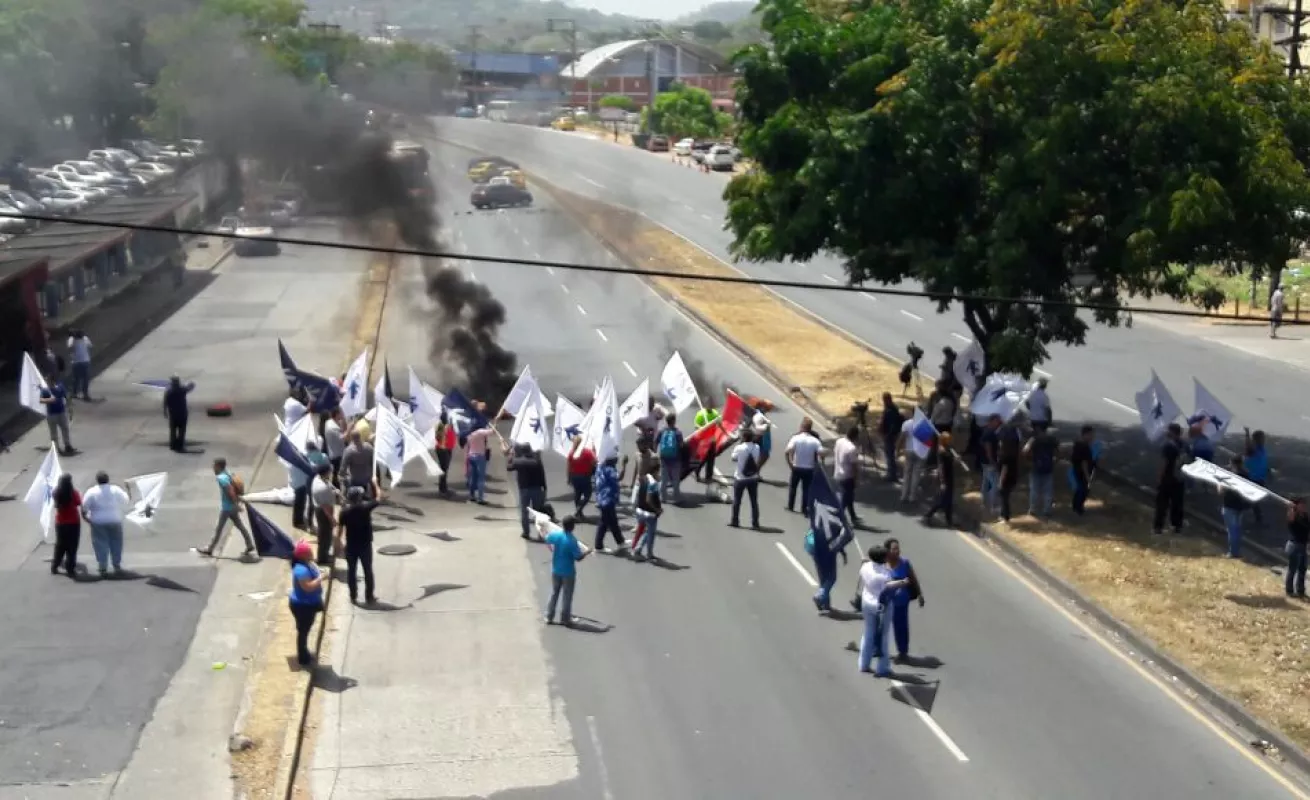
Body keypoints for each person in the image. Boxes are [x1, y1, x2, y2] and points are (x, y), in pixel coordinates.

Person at [856, 546, 909, 677]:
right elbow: (889, 586)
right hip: (882, 606)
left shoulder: (865, 567)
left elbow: (867, 566)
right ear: (883, 558)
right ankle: (882, 668)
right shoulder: (884, 574)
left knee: (868, 632)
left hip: (867, 602)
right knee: (884, 636)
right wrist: (902, 582)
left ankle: (863, 664)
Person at [201, 457, 255, 556]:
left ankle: (209, 549)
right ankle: (249, 544)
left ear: (218, 466)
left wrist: (235, 505)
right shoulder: (227, 473)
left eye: (214, 466)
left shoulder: (221, 478)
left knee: (218, 528)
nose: (213, 468)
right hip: (232, 507)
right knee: (240, 526)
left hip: (227, 508)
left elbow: (230, 491)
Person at [81, 471, 131, 577]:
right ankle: (116, 564)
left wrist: (86, 518)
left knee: (100, 544)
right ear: (108, 479)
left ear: (97, 480)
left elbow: (84, 506)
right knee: (116, 543)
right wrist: (129, 489)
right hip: (115, 520)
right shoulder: (116, 489)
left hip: (98, 522)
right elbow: (126, 500)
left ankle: (103, 566)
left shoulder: (91, 491)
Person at [544, 515, 591, 626]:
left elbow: (547, 539)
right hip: (568, 573)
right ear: (572, 526)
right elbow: (578, 557)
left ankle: (549, 616)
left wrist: (552, 549)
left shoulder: (556, 535)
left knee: (554, 593)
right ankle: (565, 618)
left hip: (556, 570)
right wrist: (587, 551)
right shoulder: (572, 540)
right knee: (567, 595)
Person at [883, 538, 925, 662]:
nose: (897, 551)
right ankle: (877, 649)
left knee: (901, 626)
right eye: (894, 549)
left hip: (902, 602)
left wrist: (920, 595)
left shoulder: (905, 563)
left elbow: (913, 578)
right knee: (882, 626)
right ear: (888, 551)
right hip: (887, 601)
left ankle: (902, 652)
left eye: (898, 548)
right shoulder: (884, 564)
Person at [338, 486, 379, 604]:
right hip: (365, 545)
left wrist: (338, 544)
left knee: (351, 571)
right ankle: (369, 596)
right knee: (368, 570)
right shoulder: (365, 508)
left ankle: (353, 596)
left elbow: (339, 530)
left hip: (351, 545)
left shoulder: (344, 512)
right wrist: (375, 484)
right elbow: (378, 499)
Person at [287, 539, 324, 666]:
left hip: (308, 603)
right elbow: (308, 587)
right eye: (309, 551)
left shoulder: (307, 564)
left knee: (304, 630)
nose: (312, 552)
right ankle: (303, 658)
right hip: (303, 606)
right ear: (303, 555)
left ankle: (304, 652)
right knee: (303, 631)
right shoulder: (301, 570)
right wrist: (321, 579)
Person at [807, 519, 851, 612]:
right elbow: (840, 539)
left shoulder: (819, 515)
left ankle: (825, 604)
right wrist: (843, 553)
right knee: (831, 578)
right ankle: (820, 596)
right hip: (828, 551)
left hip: (815, 549)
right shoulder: (836, 521)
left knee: (823, 578)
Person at [506, 442, 548, 539]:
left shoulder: (518, 462)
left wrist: (511, 456)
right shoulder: (537, 461)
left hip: (524, 490)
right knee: (538, 513)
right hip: (537, 489)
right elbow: (542, 475)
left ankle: (526, 532)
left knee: (524, 512)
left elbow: (509, 467)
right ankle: (540, 535)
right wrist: (545, 488)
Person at [1153, 423, 1188, 536]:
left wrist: (1159, 477)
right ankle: (1177, 527)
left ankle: (1158, 527)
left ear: (1172, 432)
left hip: (1168, 479)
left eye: (1168, 431)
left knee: (1162, 504)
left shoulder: (1168, 446)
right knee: (1177, 504)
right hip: (1180, 478)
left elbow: (1164, 462)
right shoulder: (1184, 445)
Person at [784, 417, 822, 514]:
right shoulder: (815, 441)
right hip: (809, 468)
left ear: (801, 427)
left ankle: (790, 506)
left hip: (796, 467)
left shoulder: (796, 438)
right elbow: (821, 455)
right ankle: (804, 508)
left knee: (793, 487)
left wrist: (790, 463)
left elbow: (787, 452)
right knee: (806, 489)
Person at [1218, 455, 1251, 558]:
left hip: (1229, 505)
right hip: (1240, 506)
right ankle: (1237, 550)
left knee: (1231, 530)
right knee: (1237, 529)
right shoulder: (1245, 474)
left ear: (1232, 463)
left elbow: (1221, 491)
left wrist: (1219, 482)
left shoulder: (1229, 476)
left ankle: (1233, 552)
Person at [729, 428, 762, 529]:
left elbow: (733, 458)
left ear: (743, 437)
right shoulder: (757, 447)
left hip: (740, 478)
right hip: (753, 478)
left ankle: (735, 521)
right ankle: (755, 522)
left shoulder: (739, 448)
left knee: (737, 501)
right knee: (754, 501)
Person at [593, 453, 627, 552]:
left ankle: (620, 541)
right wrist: (624, 465)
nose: (617, 460)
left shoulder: (600, 467)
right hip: (608, 499)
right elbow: (619, 478)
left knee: (612, 521)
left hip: (602, 497)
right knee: (604, 522)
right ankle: (598, 546)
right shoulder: (610, 469)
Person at [51, 473, 82, 577]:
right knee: (72, 546)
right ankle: (70, 568)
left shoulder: (56, 492)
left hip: (60, 522)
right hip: (73, 522)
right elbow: (78, 503)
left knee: (60, 545)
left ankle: (55, 565)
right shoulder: (74, 493)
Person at [921, 432, 955, 527]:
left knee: (948, 501)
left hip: (950, 476)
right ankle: (928, 515)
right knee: (942, 500)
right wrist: (943, 482)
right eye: (948, 439)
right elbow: (941, 467)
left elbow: (950, 462)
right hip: (945, 478)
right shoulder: (942, 451)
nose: (950, 441)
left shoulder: (948, 449)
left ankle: (949, 521)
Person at [1025, 425, 1059, 519]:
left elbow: (1025, 450)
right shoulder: (1052, 440)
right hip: (1048, 468)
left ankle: (1033, 509)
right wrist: (1055, 460)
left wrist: (1029, 461)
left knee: (1034, 490)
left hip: (1036, 467)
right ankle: (1047, 510)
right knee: (1048, 490)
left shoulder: (1034, 440)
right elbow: (1059, 452)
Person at [39, 372, 74, 455]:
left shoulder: (60, 387)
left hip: (61, 412)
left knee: (65, 429)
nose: (47, 382)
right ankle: (56, 448)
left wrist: (70, 409)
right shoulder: (45, 390)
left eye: (48, 381)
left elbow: (67, 397)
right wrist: (49, 400)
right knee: (53, 432)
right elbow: (41, 400)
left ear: (53, 381)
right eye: (47, 381)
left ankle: (67, 445)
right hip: (51, 414)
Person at [310, 463, 338, 567]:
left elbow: (328, 484)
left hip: (321, 509)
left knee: (325, 535)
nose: (331, 472)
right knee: (325, 536)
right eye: (330, 471)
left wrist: (335, 491)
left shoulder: (318, 478)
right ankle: (322, 559)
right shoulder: (322, 488)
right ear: (326, 472)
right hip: (324, 513)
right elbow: (326, 507)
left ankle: (324, 555)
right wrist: (332, 519)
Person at [632, 471, 663, 562]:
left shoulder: (642, 479)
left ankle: (638, 548)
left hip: (640, 511)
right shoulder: (653, 484)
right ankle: (649, 554)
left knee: (646, 531)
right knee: (651, 534)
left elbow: (636, 495)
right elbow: (648, 500)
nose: (660, 475)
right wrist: (657, 510)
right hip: (650, 513)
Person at [340, 431, 379, 499]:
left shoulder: (349, 451)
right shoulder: (369, 447)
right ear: (360, 436)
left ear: (351, 438)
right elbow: (373, 462)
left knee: (355, 497)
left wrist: (341, 475)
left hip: (355, 478)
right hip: (367, 477)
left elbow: (343, 466)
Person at [833, 426, 860, 523]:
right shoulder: (852, 448)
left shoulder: (839, 441)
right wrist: (856, 479)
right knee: (846, 498)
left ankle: (853, 516)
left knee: (849, 496)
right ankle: (838, 516)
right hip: (847, 476)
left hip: (838, 473)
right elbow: (854, 466)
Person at [162, 375, 196, 452]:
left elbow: (165, 402)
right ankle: (180, 446)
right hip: (182, 414)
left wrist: (165, 412)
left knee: (173, 431)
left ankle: (173, 445)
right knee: (181, 431)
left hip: (173, 414)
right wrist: (191, 383)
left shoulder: (169, 391)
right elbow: (190, 388)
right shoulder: (182, 390)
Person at [566, 435, 597, 516]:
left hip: (574, 477)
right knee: (588, 494)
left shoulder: (571, 453)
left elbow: (569, 467)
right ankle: (579, 510)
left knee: (577, 494)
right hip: (585, 476)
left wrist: (568, 478)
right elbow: (594, 461)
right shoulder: (587, 452)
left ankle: (578, 511)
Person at [1244, 427, 1269, 526]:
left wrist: (1268, 471)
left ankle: (1256, 517)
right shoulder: (1252, 450)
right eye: (1262, 438)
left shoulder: (1262, 449)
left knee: (1254, 499)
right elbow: (1248, 447)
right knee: (1254, 500)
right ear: (1257, 440)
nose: (1264, 440)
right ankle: (1258, 520)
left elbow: (1262, 462)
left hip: (1260, 478)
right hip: (1253, 479)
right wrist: (1247, 434)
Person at [1070, 425, 1097, 515]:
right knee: (1084, 490)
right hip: (1082, 472)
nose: (1092, 437)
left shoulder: (1077, 444)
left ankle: (1075, 506)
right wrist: (1088, 476)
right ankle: (1078, 508)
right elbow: (1084, 463)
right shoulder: (1084, 447)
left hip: (1077, 470)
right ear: (1085, 434)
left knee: (1080, 489)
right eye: (1091, 435)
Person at [657, 414, 684, 503]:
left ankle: (663, 498)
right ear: (674, 421)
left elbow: (656, 442)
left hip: (664, 458)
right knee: (675, 479)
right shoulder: (678, 432)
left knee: (664, 479)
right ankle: (677, 498)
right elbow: (681, 445)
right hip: (675, 459)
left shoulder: (661, 431)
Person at [694, 401, 721, 484]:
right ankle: (697, 472)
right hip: (703, 441)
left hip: (712, 440)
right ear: (706, 406)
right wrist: (703, 427)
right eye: (709, 405)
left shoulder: (715, 413)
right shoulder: (701, 414)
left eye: (712, 405)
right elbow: (696, 425)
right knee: (703, 459)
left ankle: (708, 477)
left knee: (711, 459)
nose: (711, 407)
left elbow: (719, 424)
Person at [465, 422, 493, 504]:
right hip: (480, 456)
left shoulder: (469, 434)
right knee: (481, 478)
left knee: (473, 477)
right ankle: (480, 498)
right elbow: (492, 431)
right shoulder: (480, 432)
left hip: (471, 455)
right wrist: (494, 423)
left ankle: (471, 495)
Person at [878, 393, 903, 483]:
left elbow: (892, 424)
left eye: (884, 400)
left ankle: (892, 475)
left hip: (890, 436)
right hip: (890, 435)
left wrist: (888, 434)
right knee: (889, 454)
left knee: (890, 455)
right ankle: (891, 472)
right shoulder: (892, 408)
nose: (883, 402)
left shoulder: (891, 410)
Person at [1286, 497, 1308, 598]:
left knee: (1302, 569)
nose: (1304, 506)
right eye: (1301, 505)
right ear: (1297, 505)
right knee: (1293, 569)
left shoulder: (1305, 516)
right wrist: (1291, 508)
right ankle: (1289, 590)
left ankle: (1301, 590)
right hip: (1294, 546)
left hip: (1303, 546)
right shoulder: (1293, 516)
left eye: (1305, 505)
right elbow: (1291, 519)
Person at [433, 411, 457, 494]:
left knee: (444, 468)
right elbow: (442, 438)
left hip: (444, 449)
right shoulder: (444, 426)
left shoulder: (442, 425)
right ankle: (443, 488)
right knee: (444, 468)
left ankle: (443, 486)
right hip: (443, 449)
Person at [67, 330, 92, 401]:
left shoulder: (72, 341)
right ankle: (85, 394)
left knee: (76, 378)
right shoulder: (85, 339)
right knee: (85, 379)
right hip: (85, 361)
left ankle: (74, 393)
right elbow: (90, 346)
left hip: (76, 362)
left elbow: (69, 349)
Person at [324, 409, 346, 486]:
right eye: (341, 413)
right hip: (337, 454)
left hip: (332, 451)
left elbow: (341, 430)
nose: (342, 414)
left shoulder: (328, 422)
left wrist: (342, 421)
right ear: (337, 414)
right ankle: (336, 487)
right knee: (337, 473)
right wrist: (350, 428)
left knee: (335, 472)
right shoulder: (333, 428)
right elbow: (342, 437)